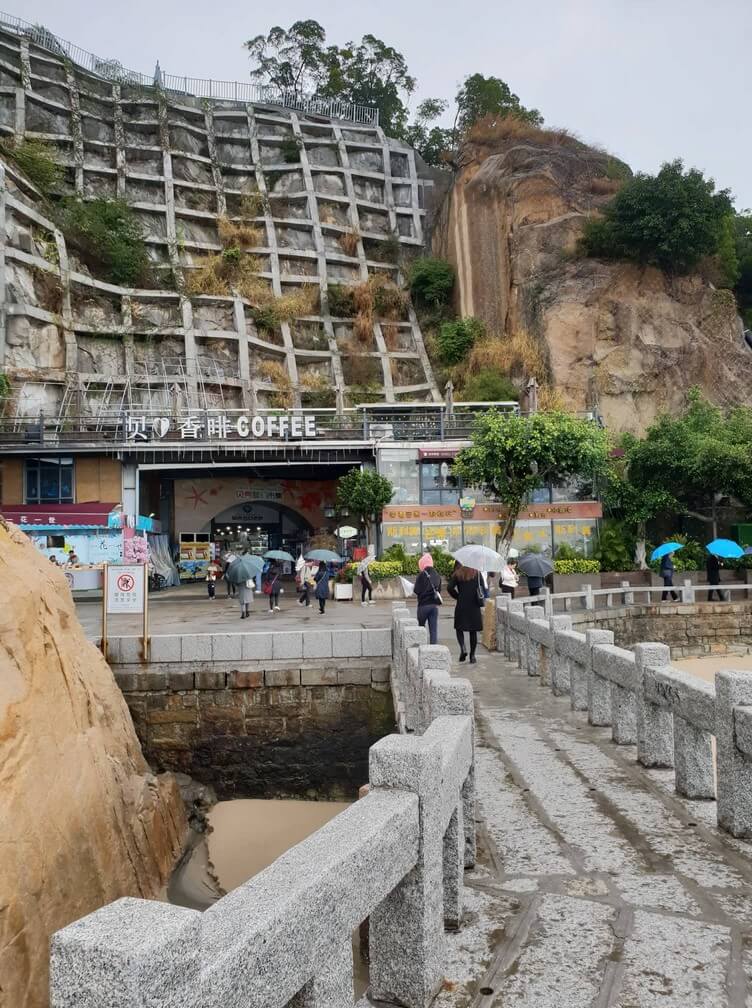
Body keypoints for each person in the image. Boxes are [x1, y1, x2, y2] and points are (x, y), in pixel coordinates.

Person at [447, 562, 485, 664]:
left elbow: (449, 588)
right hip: (474, 606)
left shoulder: (458, 573)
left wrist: (457, 596)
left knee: (459, 628)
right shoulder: (477, 574)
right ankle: (472, 656)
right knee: (473, 631)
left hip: (462, 604)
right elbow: (483, 588)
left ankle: (463, 648)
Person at [413, 552, 442, 645]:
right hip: (434, 606)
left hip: (423, 606)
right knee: (433, 630)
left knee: (421, 628)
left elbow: (416, 590)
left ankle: (422, 648)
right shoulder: (437, 574)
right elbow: (439, 591)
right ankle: (433, 650)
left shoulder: (421, 575)